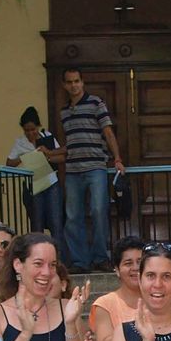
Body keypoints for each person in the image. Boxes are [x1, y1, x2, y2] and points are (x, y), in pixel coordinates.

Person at [59, 68, 125, 272]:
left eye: (77, 81)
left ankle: (100, 257)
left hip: (96, 166)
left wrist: (117, 158)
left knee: (98, 211)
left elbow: (108, 132)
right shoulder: (64, 112)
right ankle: (80, 261)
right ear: (64, 85)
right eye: (69, 82)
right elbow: (70, 143)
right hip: (72, 170)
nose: (73, 85)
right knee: (73, 217)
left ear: (83, 82)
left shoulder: (96, 103)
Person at [5, 106, 64, 238]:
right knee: (37, 223)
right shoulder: (20, 142)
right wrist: (24, 157)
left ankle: (58, 254)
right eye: (27, 130)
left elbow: (61, 157)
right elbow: (9, 163)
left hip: (51, 182)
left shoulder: (47, 137)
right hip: (33, 185)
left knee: (56, 222)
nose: (31, 133)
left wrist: (47, 155)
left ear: (38, 127)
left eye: (33, 129)